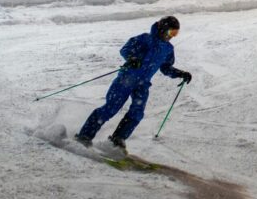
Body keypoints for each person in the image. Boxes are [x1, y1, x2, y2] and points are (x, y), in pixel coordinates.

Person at [75, 15, 191, 150]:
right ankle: (85, 136)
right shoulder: (145, 39)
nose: (172, 36)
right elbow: (125, 49)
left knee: (137, 113)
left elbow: (166, 68)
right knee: (111, 108)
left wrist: (180, 73)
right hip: (126, 79)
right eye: (171, 32)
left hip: (143, 84)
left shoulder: (168, 49)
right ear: (162, 29)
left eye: (175, 33)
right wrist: (132, 58)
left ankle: (118, 139)